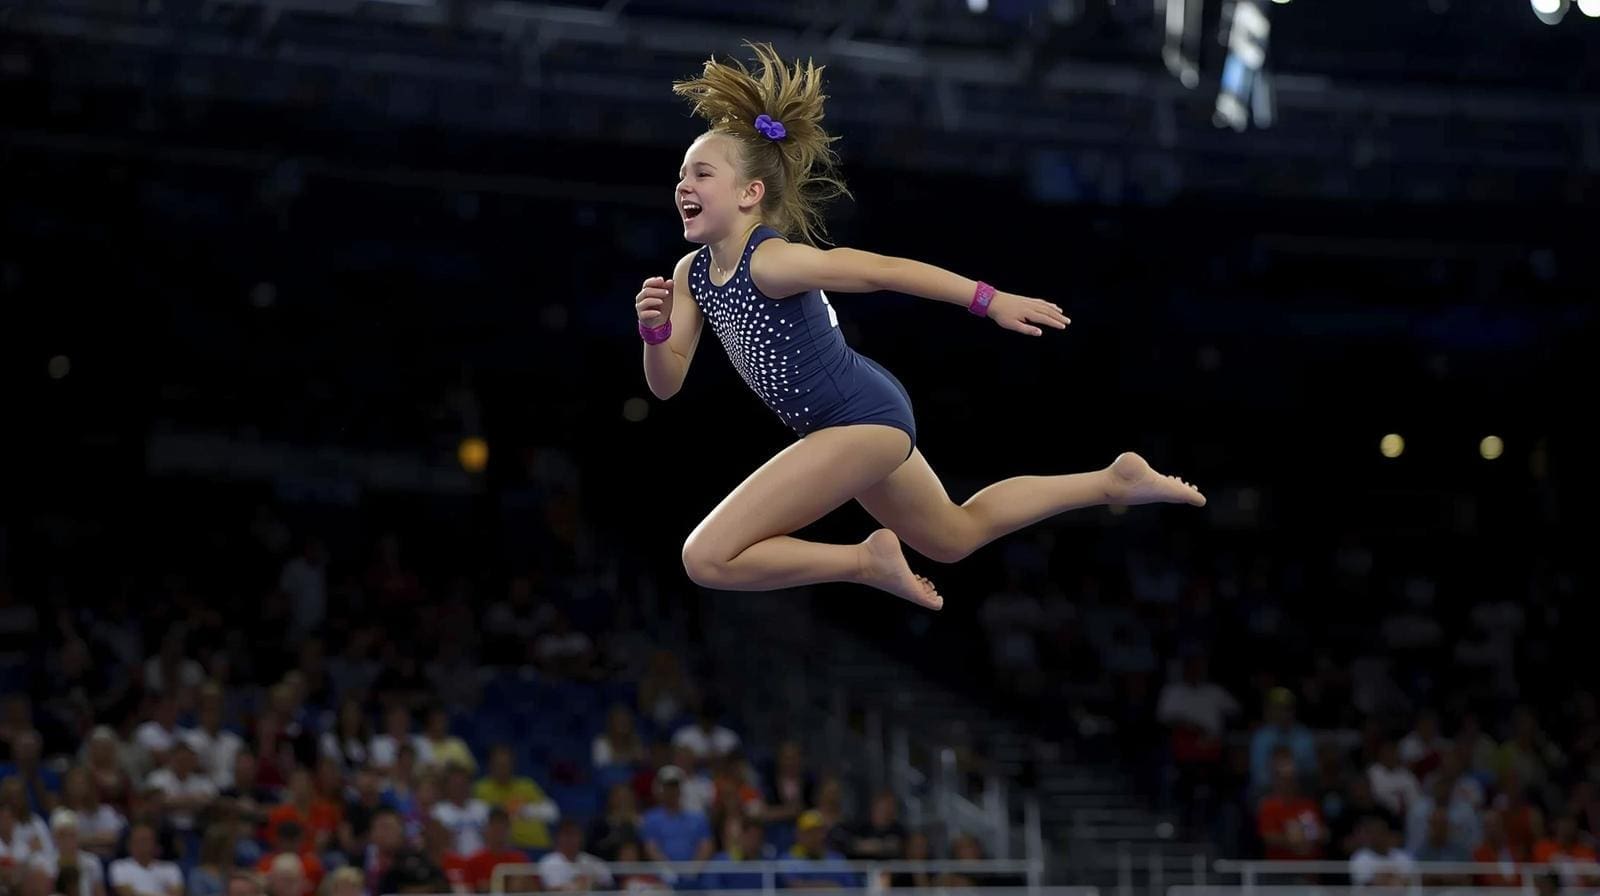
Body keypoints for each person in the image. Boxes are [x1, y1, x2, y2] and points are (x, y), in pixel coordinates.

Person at [635, 42, 1205, 609]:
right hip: (853, 420)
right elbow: (666, 384)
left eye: (702, 173)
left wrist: (988, 300)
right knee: (953, 537)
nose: (684, 185)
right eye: (682, 174)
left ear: (750, 193)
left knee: (705, 558)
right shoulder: (691, 275)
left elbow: (882, 271)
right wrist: (655, 332)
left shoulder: (771, 261)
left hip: (858, 420)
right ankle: (1113, 481)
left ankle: (864, 562)